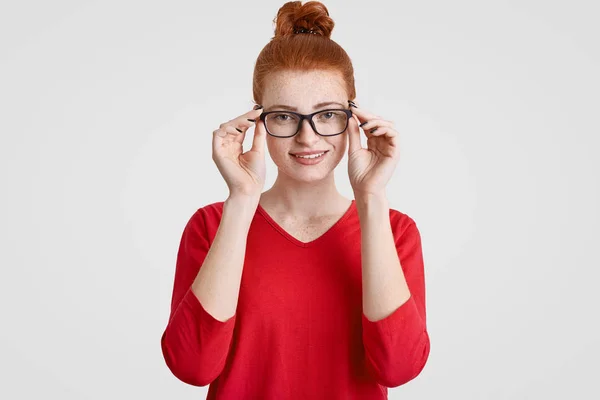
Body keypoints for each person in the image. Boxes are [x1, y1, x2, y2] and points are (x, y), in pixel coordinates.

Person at [160, 1, 430, 398]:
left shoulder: (395, 231)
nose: (307, 137)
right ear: (258, 121)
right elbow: (192, 366)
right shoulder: (211, 225)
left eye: (327, 115)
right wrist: (241, 198)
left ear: (353, 119)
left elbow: (398, 367)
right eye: (284, 116)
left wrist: (371, 196)